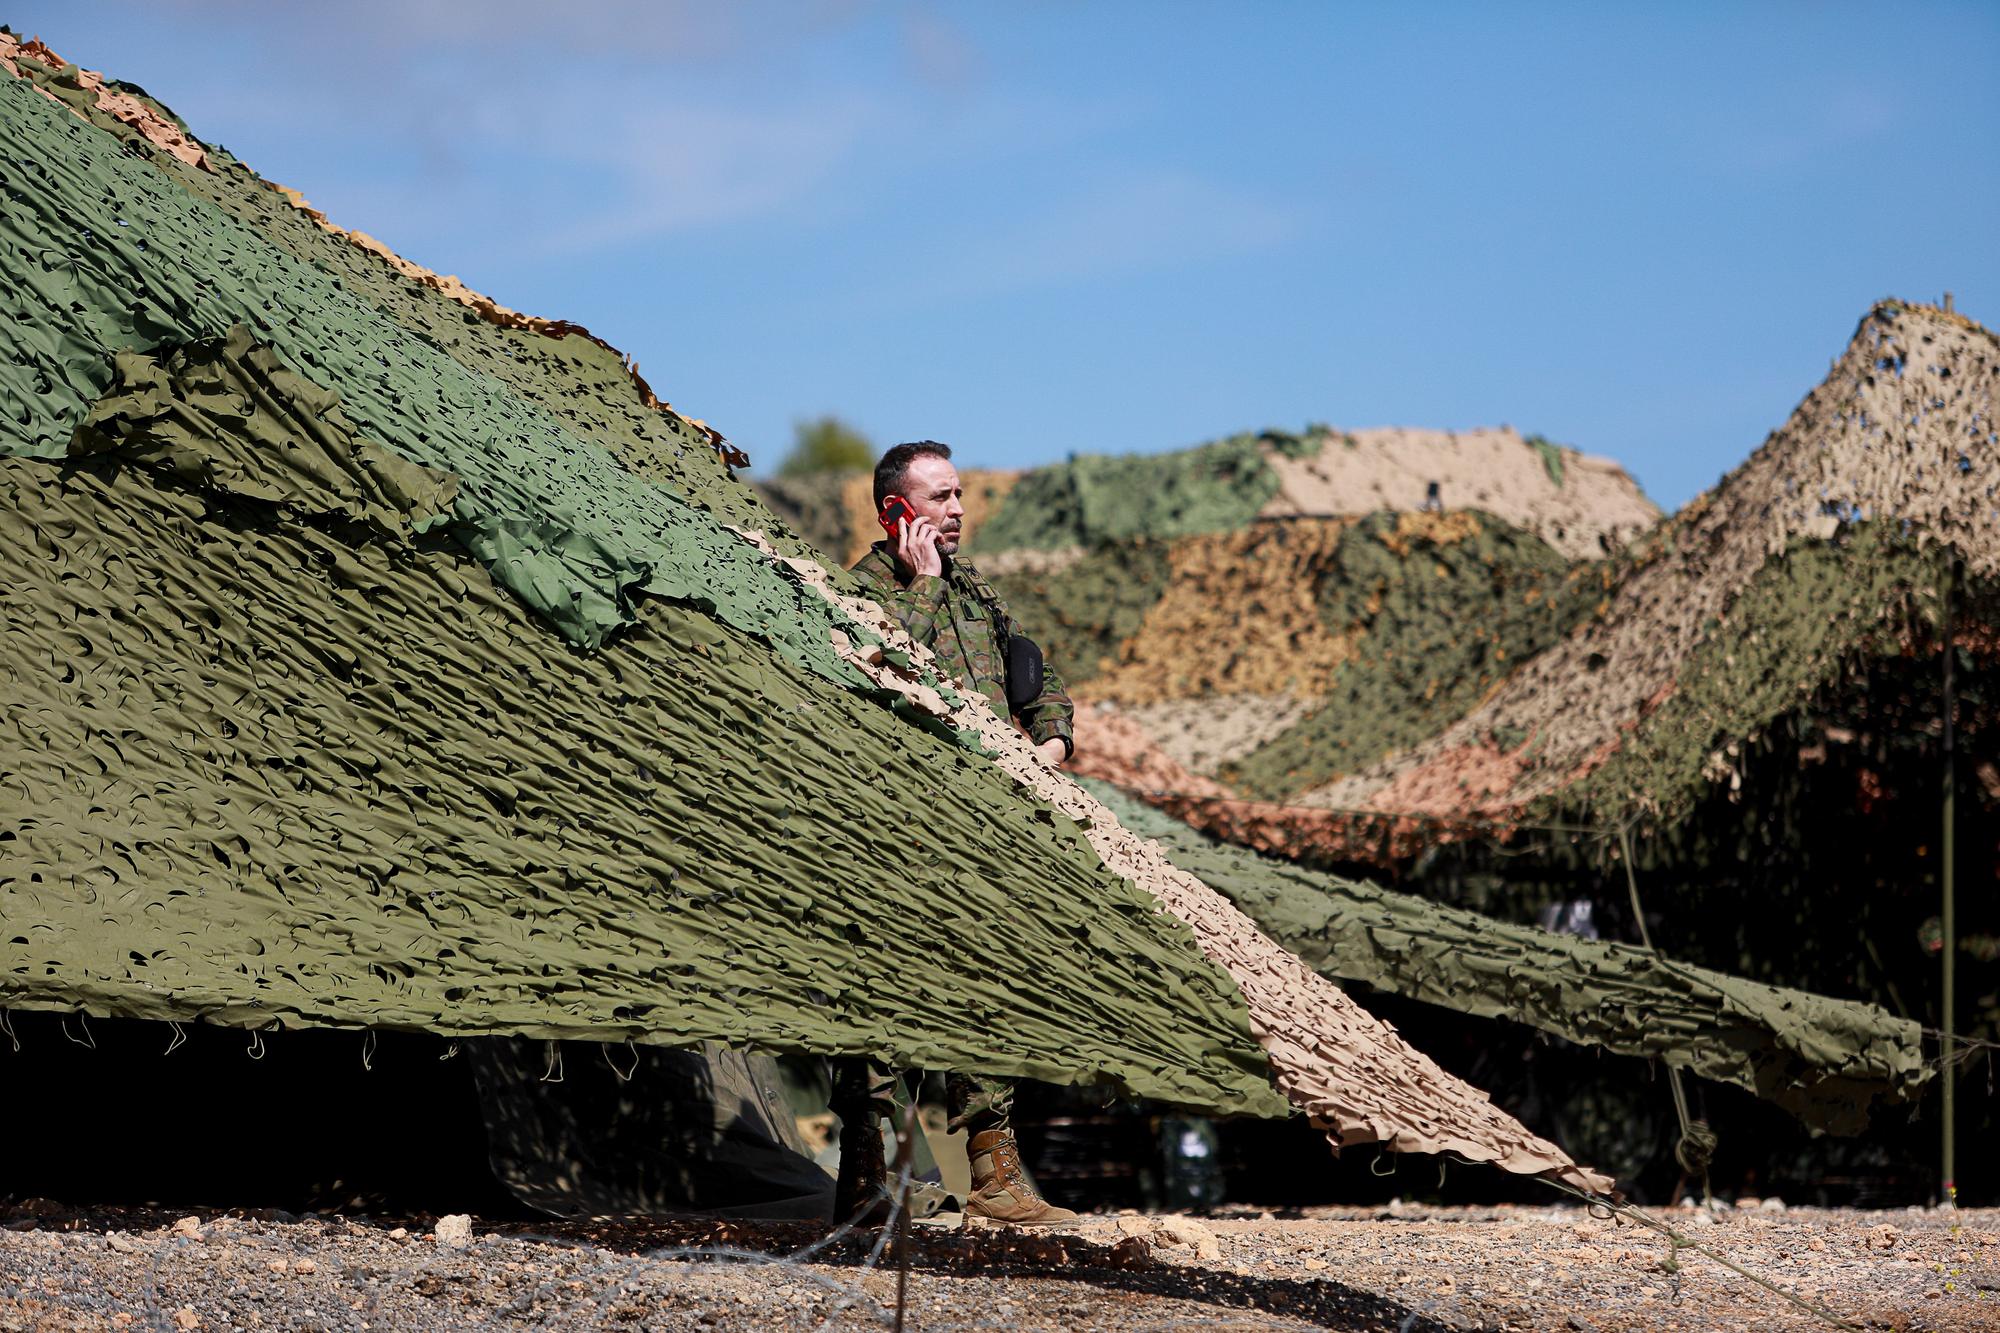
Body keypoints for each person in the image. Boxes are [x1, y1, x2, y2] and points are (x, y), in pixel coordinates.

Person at [835, 440, 1076, 1227]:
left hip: (981, 833)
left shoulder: (981, 595)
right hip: (892, 832)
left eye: (960, 494)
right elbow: (881, 671)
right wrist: (926, 590)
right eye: (939, 497)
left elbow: (1041, 683)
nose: (958, 509)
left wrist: (1047, 749)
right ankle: (874, 1177)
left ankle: (996, 1179)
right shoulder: (859, 591)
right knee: (879, 999)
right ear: (895, 511)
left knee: (986, 988)